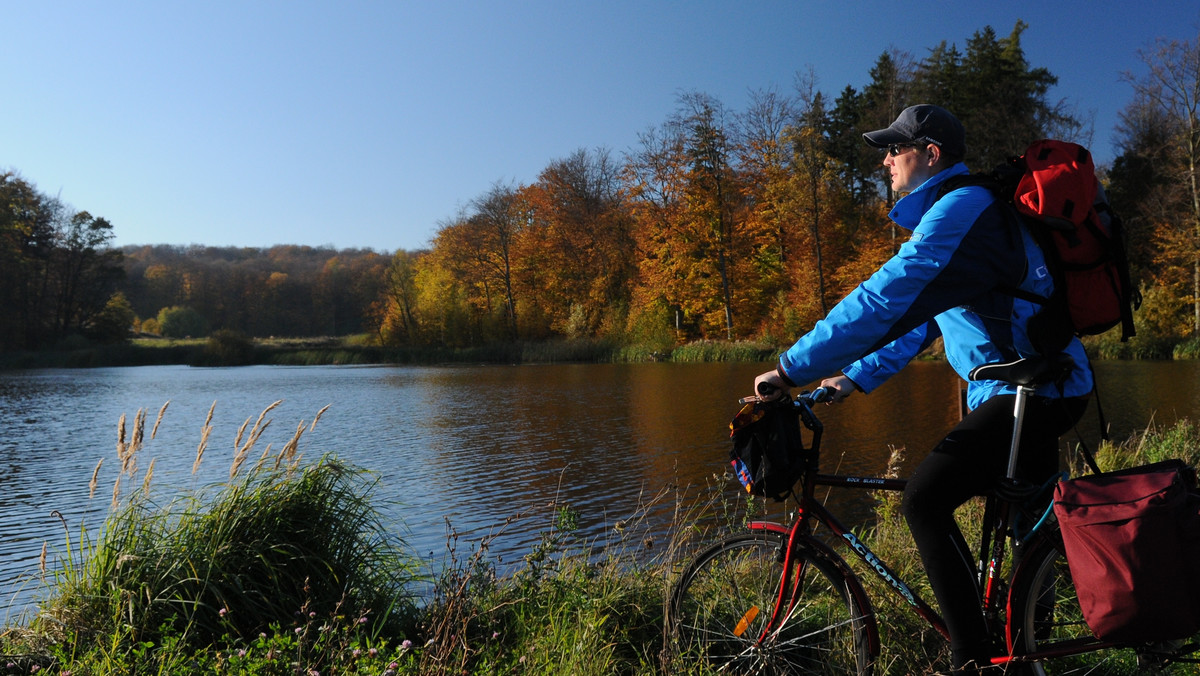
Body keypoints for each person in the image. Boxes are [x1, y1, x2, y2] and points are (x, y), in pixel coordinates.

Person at [752, 104, 1092, 674]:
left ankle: (970, 660)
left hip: (1034, 392)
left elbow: (887, 298)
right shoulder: (962, 211)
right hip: (1032, 388)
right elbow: (926, 321)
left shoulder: (963, 208)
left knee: (925, 499)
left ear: (930, 153)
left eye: (894, 148)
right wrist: (849, 377)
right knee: (1024, 531)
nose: (885, 160)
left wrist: (789, 368)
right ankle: (1026, 653)